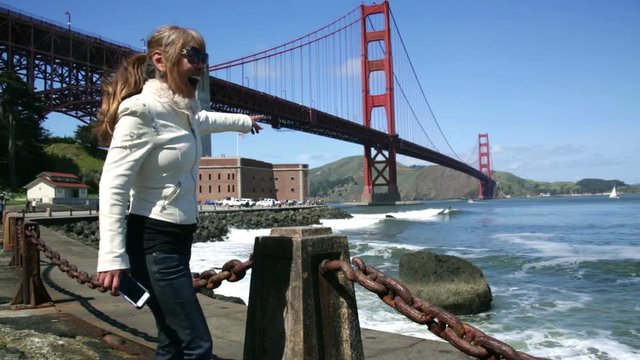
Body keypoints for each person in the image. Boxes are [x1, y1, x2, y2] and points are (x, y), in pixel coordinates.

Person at [95, 25, 263, 359]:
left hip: (179, 235)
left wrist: (244, 121)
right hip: (153, 240)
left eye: (205, 57)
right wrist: (112, 257)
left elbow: (208, 120)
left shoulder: (183, 113)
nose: (202, 64)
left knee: (171, 337)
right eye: (194, 56)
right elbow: (113, 185)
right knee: (196, 343)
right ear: (160, 60)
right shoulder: (142, 111)